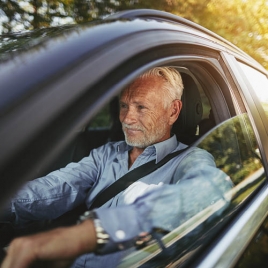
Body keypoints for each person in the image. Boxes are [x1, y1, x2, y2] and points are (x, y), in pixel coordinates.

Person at [1, 67, 233, 268]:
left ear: (172, 111)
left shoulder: (190, 159)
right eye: (124, 105)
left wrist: (92, 234)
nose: (127, 118)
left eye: (141, 107)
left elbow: (211, 191)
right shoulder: (107, 153)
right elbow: (57, 187)